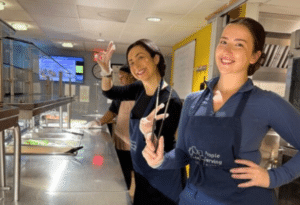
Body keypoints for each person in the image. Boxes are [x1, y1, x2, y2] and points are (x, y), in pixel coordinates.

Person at [141, 17, 300, 205]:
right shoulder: (193, 100)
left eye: (238, 45)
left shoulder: (266, 102)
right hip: (193, 199)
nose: (226, 50)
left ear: (254, 56)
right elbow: (183, 153)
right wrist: (159, 161)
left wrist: (273, 177)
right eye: (223, 42)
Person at [97, 39, 183, 204]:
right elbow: (110, 92)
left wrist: (148, 134)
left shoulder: (169, 100)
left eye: (141, 57)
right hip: (142, 172)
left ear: (155, 59)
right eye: (131, 62)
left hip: (161, 180)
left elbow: (163, 148)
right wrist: (106, 71)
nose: (136, 66)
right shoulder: (139, 89)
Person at [88, 65, 136, 190]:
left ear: (132, 76)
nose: (120, 80)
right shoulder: (122, 93)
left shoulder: (142, 92)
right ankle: (126, 196)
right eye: (118, 77)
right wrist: (98, 122)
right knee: (124, 172)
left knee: (139, 174)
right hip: (122, 141)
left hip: (138, 143)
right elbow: (112, 112)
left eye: (122, 77)